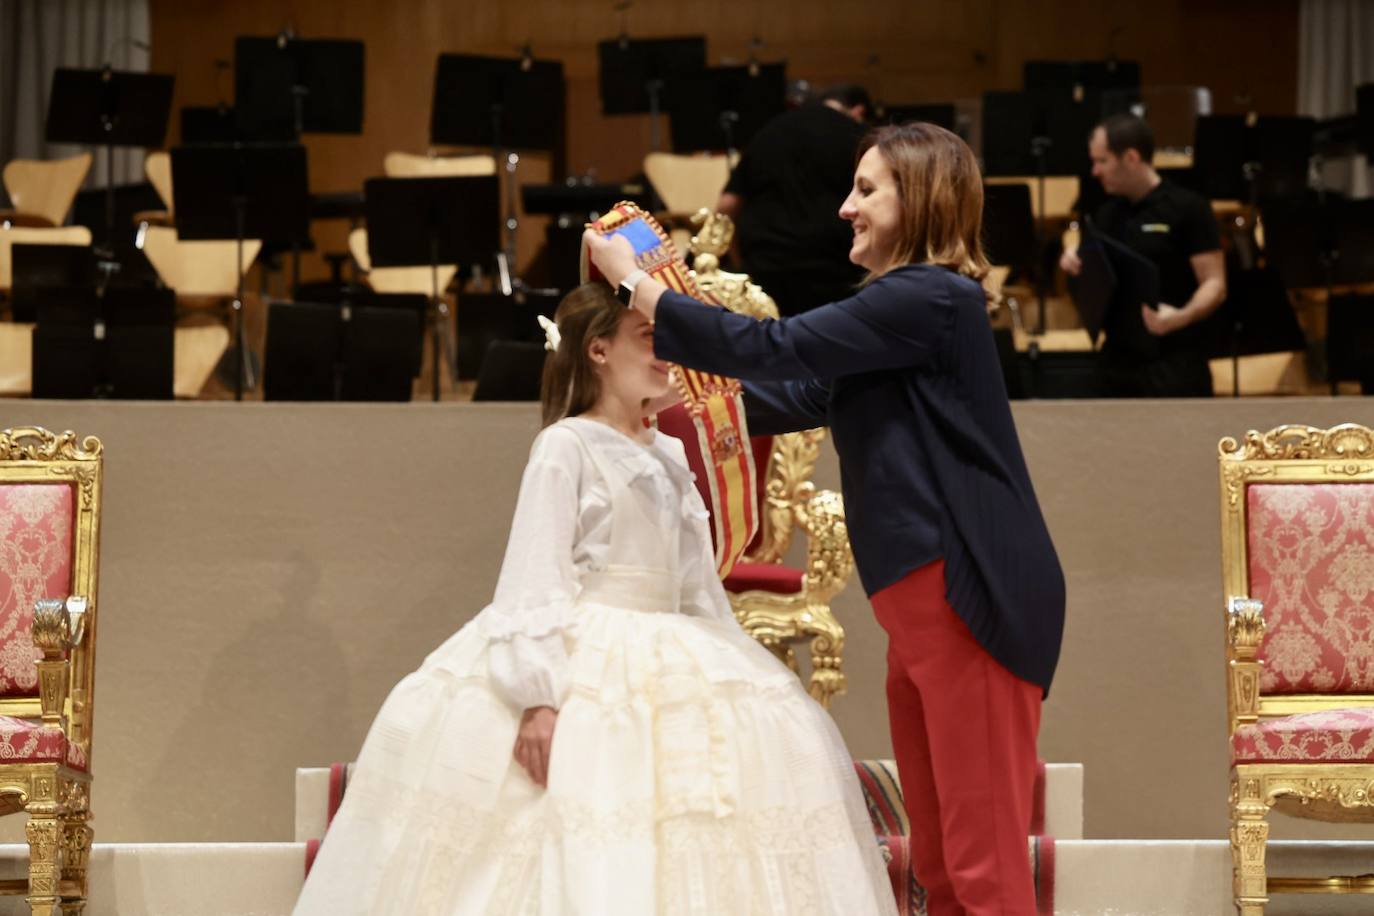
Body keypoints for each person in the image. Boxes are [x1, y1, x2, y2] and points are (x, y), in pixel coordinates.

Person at [291, 282, 897, 916]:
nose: (667, 352)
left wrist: (732, 667)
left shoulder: (667, 452)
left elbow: (695, 581)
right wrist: (537, 698)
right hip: (590, 643)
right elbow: (535, 573)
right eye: (648, 337)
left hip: (673, 640)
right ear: (599, 350)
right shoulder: (566, 445)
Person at [587, 121, 1065, 916]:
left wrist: (641, 286)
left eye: (867, 189)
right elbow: (780, 398)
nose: (846, 207)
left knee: (982, 871)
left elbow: (773, 351)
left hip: (970, 594)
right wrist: (647, 396)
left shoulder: (928, 297)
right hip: (923, 605)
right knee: (943, 865)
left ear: (920, 200)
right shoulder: (898, 313)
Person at [1060, 113, 1227, 397]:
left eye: (1102, 161)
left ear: (1131, 158)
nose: (1095, 171)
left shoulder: (1188, 208)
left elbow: (1215, 284)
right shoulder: (1106, 214)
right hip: (1116, 361)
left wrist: (1181, 316)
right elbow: (1092, 277)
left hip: (1173, 360)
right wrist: (1073, 259)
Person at [715, 84, 870, 316]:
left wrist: (740, 266)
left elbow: (726, 207)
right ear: (858, 111)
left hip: (766, 274)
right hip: (837, 277)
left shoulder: (769, 131)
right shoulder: (860, 138)